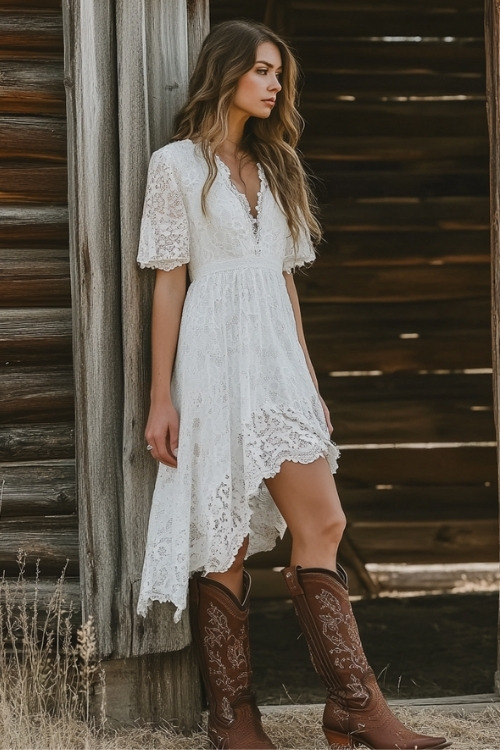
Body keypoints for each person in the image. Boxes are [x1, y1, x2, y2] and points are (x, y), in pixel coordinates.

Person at [136, 19, 450, 750]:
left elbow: (282, 282)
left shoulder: (279, 166)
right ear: (228, 74)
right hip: (212, 361)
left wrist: (307, 380)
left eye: (280, 73)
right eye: (264, 71)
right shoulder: (174, 166)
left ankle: (352, 704)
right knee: (228, 542)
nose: (276, 85)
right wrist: (161, 397)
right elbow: (168, 282)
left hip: (275, 360)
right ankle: (233, 719)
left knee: (325, 523)